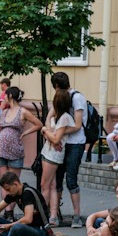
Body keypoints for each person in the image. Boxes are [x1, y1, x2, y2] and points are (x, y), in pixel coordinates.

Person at [0, 86, 42, 221]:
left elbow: (38, 124)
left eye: (5, 96)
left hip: (15, 151)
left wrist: (25, 132)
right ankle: (7, 209)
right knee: (4, 182)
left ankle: (9, 211)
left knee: (13, 182)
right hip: (1, 150)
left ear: (10, 96)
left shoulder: (23, 111)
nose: (3, 98)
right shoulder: (5, 112)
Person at [47, 72, 86, 228]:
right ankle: (55, 215)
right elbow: (49, 117)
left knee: (71, 179)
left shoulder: (77, 98)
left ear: (56, 86)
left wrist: (57, 132)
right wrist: (53, 134)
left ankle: (77, 216)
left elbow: (77, 125)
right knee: (57, 178)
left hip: (75, 143)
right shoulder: (60, 98)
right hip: (61, 142)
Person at [40, 89, 75, 227]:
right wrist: (47, 131)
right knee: (53, 185)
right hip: (47, 151)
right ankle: (52, 216)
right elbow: (49, 125)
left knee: (45, 185)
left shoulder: (65, 117)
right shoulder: (57, 114)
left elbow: (55, 139)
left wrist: (44, 130)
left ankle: (42, 214)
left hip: (54, 154)